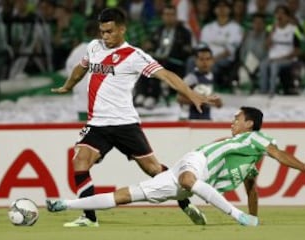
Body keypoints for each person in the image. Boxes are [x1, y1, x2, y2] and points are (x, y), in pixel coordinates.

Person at [51, 7, 221, 227]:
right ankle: (89, 217)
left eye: (110, 31)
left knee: (153, 170)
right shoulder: (94, 47)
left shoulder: (135, 56)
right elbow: (80, 68)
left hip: (125, 124)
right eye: (102, 31)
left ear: (122, 29)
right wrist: (68, 85)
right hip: (97, 124)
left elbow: (167, 76)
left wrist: (191, 94)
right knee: (80, 162)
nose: (105, 36)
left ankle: (185, 204)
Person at [46, 106, 305, 226]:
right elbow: (275, 155)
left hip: (186, 180)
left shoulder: (255, 142)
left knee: (125, 196)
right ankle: (67, 205)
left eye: (237, 118)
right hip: (195, 163)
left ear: (250, 123)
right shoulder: (248, 142)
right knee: (189, 182)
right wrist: (247, 216)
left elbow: (260, 179)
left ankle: (66, 204)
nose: (233, 122)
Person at [177, 45, 222, 120]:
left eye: (208, 59)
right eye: (201, 59)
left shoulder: (211, 76)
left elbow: (215, 102)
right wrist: (199, 100)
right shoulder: (191, 78)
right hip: (191, 119)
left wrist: (218, 102)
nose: (205, 62)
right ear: (196, 60)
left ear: (212, 61)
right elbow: (179, 98)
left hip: (206, 118)